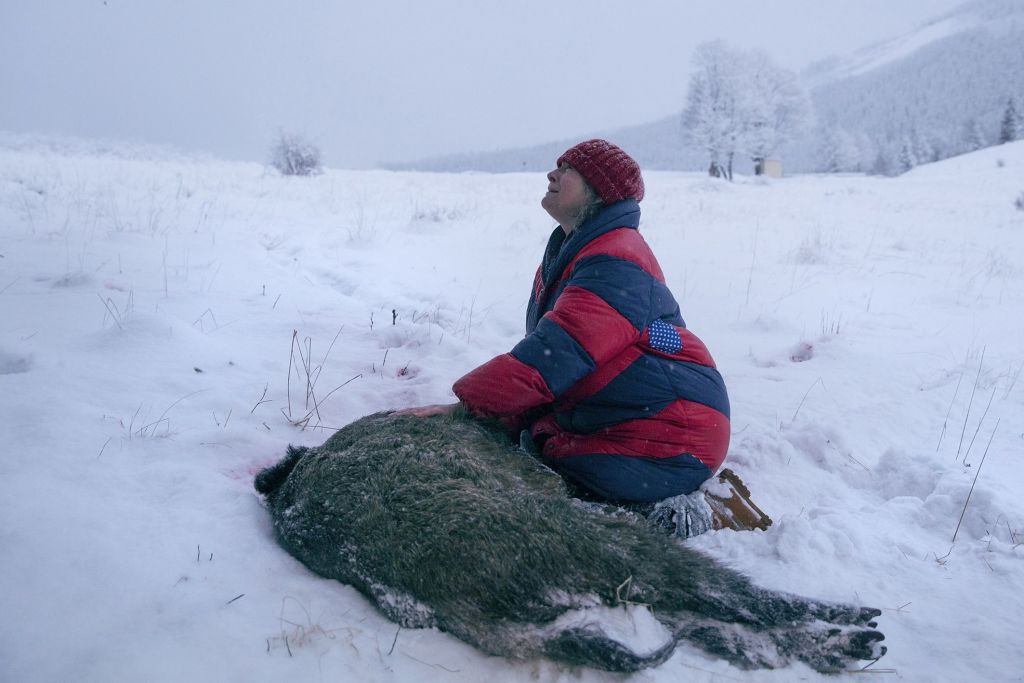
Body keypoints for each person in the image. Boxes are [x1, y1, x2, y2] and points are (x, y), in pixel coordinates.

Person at [405, 139, 731, 506]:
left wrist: (468, 407)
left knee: (549, 483)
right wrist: (499, 414)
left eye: (567, 169)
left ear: (598, 190)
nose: (552, 173)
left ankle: (691, 513)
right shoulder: (580, 251)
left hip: (669, 438)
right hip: (629, 420)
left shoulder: (616, 260)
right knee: (531, 447)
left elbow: (557, 354)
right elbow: (559, 365)